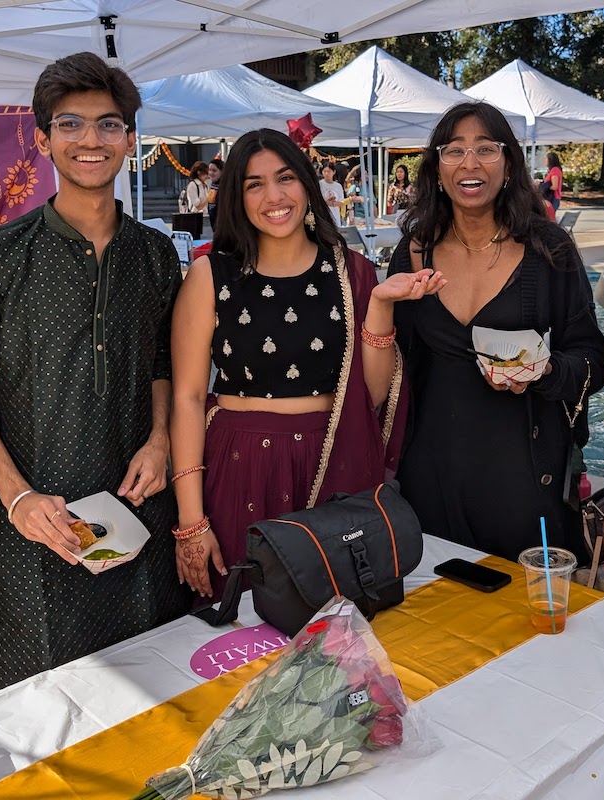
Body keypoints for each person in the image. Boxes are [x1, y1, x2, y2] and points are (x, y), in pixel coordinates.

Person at [0, 52, 191, 695]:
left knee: (152, 695)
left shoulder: (156, 252)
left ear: (131, 141)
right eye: (71, 124)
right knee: (40, 710)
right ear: (42, 138)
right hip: (33, 527)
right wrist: (15, 496)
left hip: (139, 510)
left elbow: (165, 361)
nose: (91, 140)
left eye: (109, 125)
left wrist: (161, 441)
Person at [169, 129, 444, 600]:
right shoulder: (212, 274)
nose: (273, 196)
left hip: (330, 464)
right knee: (244, 637)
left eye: (285, 178)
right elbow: (189, 398)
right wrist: (192, 523)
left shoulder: (352, 271)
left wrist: (379, 304)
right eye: (254, 184)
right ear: (237, 196)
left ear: (307, 186)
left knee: (337, 634)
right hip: (240, 467)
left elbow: (372, 397)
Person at [388, 101, 604, 561]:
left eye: (486, 148)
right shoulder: (412, 254)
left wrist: (545, 371)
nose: (470, 164)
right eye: (454, 150)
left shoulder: (549, 252)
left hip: (525, 482)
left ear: (508, 163)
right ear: (437, 167)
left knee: (527, 624)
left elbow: (594, 359)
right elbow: (392, 372)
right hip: (429, 479)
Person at [181, 160, 210, 238]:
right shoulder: (193, 185)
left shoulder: (206, 185)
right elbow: (197, 206)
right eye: (205, 174)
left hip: (206, 216)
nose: (207, 176)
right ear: (199, 173)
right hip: (195, 218)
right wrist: (208, 197)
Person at [318, 160, 346, 228]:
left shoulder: (338, 186)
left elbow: (342, 202)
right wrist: (326, 203)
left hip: (335, 215)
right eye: (325, 171)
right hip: (323, 216)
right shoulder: (319, 184)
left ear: (334, 172)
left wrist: (333, 203)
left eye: (329, 171)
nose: (327, 174)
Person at [540, 151, 563, 220]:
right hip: (552, 198)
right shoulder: (553, 170)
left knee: (549, 218)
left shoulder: (555, 170)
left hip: (553, 198)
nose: (544, 161)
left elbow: (554, 186)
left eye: (546, 159)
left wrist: (544, 186)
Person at [207, 157, 225, 232]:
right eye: (209, 170)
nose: (211, 173)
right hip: (214, 224)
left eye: (214, 171)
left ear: (222, 172)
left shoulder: (225, 187)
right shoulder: (213, 185)